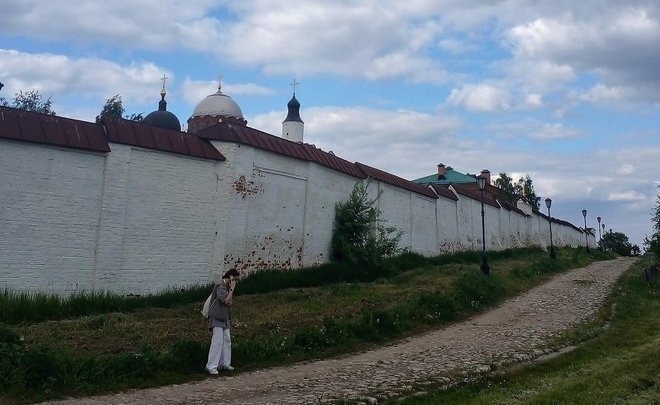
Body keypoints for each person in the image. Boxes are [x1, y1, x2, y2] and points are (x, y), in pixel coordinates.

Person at [205, 269, 239, 375]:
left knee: (227, 341)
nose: (235, 282)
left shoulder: (226, 287)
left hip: (224, 317)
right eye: (235, 279)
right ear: (230, 277)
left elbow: (229, 302)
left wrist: (230, 294)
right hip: (217, 317)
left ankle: (225, 363)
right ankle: (211, 366)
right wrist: (232, 289)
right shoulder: (220, 286)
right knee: (217, 342)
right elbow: (225, 300)